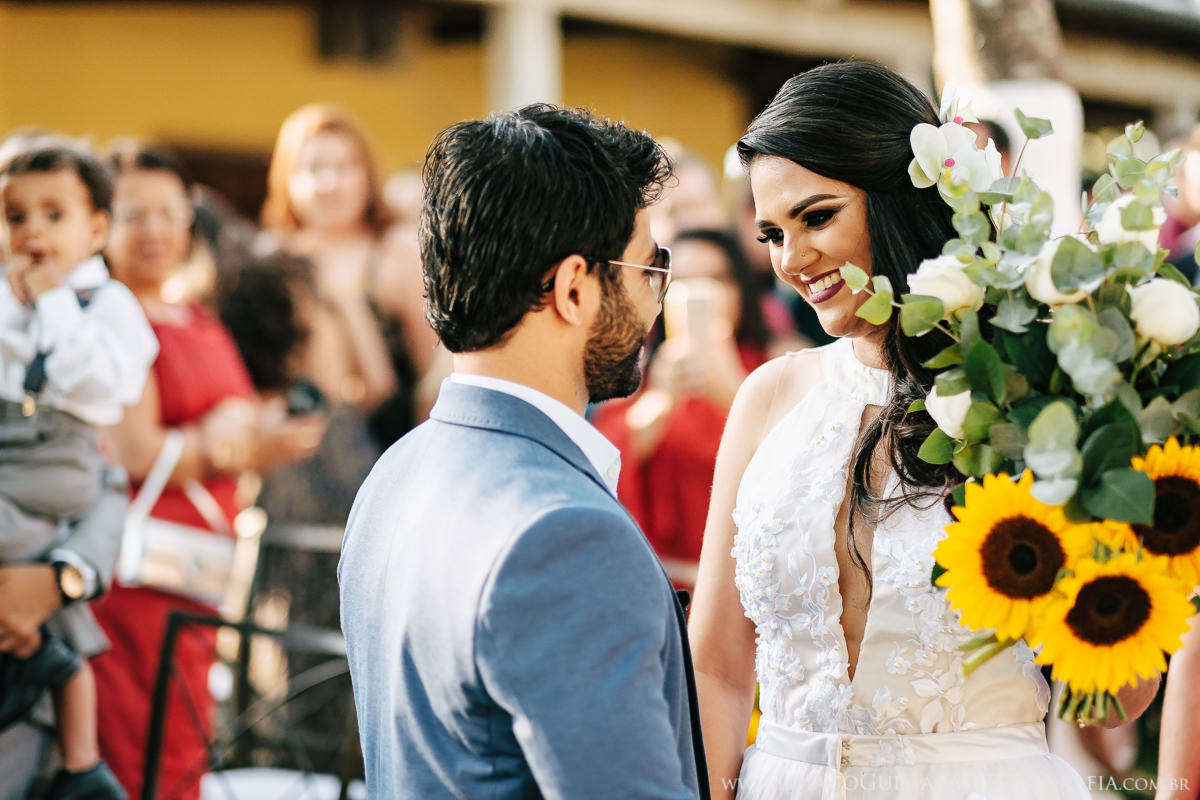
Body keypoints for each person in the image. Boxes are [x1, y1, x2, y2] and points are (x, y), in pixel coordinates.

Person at [687, 61, 1159, 800]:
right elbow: (716, 662)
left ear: (900, 198)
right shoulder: (769, 397)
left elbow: (1120, 695)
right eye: (772, 232)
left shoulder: (1033, 391)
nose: (791, 259)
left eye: (817, 217)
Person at [339, 103, 709, 799]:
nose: (657, 298)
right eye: (649, 267)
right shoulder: (567, 537)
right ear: (574, 287)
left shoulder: (395, 472)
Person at [92, 142, 322, 800]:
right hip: (136, 578)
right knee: (138, 754)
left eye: (171, 211)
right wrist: (231, 444)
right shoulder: (110, 317)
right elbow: (135, 451)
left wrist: (260, 430)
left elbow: (235, 419)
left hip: (198, 569)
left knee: (182, 747)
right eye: (135, 212)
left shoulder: (195, 317)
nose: (157, 230)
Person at [0, 143, 158, 799]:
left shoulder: (106, 304)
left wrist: (55, 302)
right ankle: (76, 753)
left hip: (55, 458)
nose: (31, 231)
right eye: (14, 215)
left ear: (96, 228)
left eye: (52, 213)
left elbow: (98, 383)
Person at [592, 228, 773, 592]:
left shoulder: (777, 364)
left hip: (755, 583)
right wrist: (660, 401)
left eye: (715, 279)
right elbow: (602, 465)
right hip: (665, 584)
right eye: (684, 281)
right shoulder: (636, 374)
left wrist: (731, 388)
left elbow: (801, 460)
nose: (698, 293)